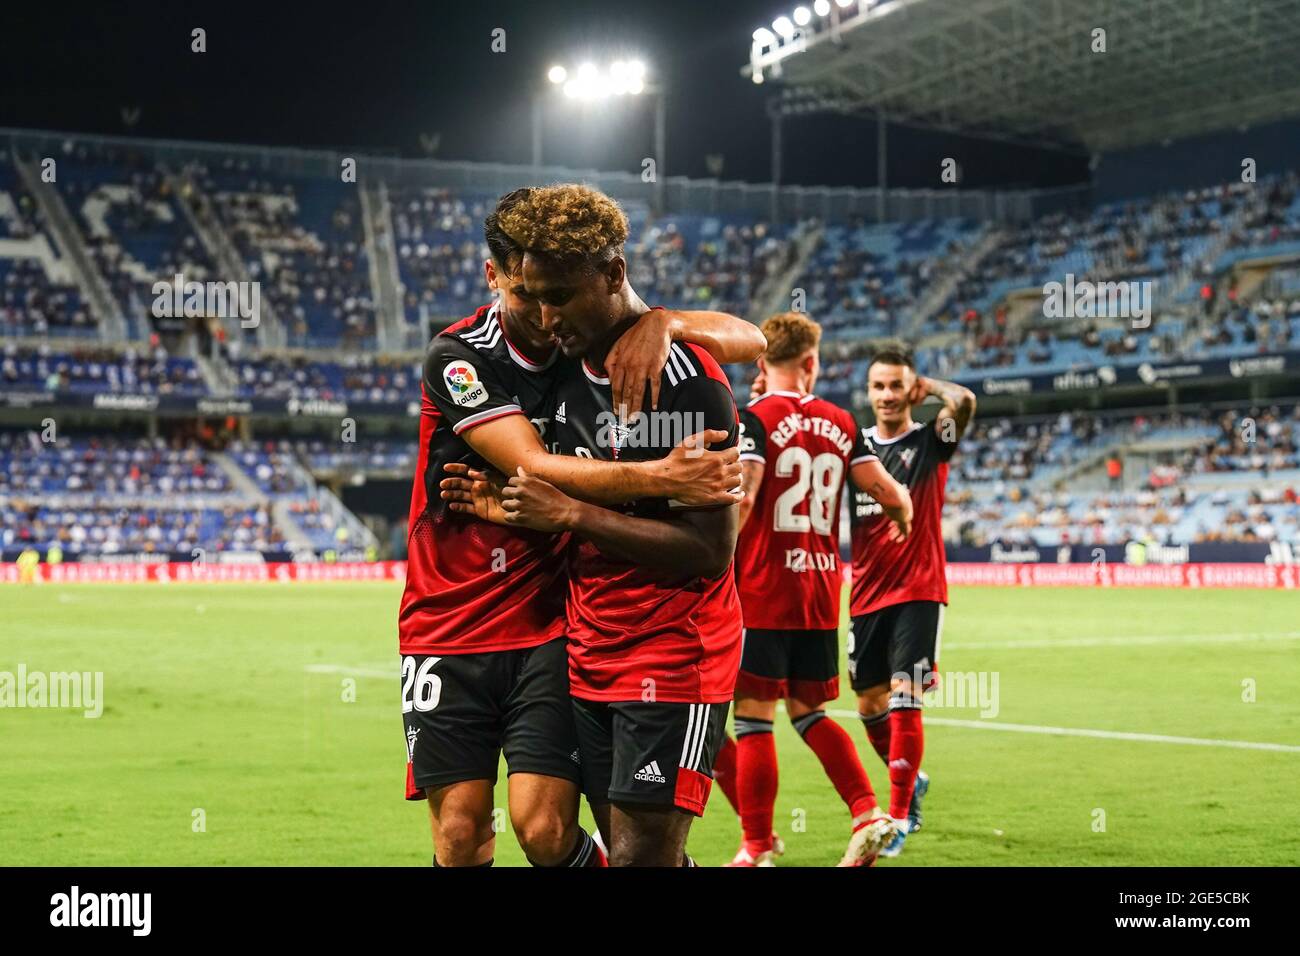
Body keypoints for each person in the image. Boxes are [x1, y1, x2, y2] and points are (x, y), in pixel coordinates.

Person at [401, 187, 765, 868]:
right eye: (528, 295)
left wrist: (668, 322)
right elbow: (536, 465)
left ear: (610, 277)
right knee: (461, 833)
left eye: (560, 297)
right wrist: (655, 477)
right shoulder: (469, 355)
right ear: (495, 277)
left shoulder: (631, 357)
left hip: (592, 634)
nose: (545, 317)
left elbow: (755, 339)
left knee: (566, 836)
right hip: (471, 628)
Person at [717, 312, 914, 868]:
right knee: (811, 713)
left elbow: (748, 498)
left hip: (760, 591)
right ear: (811, 363)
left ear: (762, 363)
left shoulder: (751, 418)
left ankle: (755, 847)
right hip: (821, 593)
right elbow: (890, 493)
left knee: (753, 720)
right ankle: (868, 812)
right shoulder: (844, 423)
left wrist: (709, 562)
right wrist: (902, 516)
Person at [849, 345, 976, 858]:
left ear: (910, 389)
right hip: (864, 595)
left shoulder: (930, 443)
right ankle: (913, 780)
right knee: (869, 705)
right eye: (878, 386)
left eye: (896, 385)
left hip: (919, 590)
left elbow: (964, 402)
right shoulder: (853, 451)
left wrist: (936, 388)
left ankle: (899, 815)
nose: (886, 395)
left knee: (906, 697)